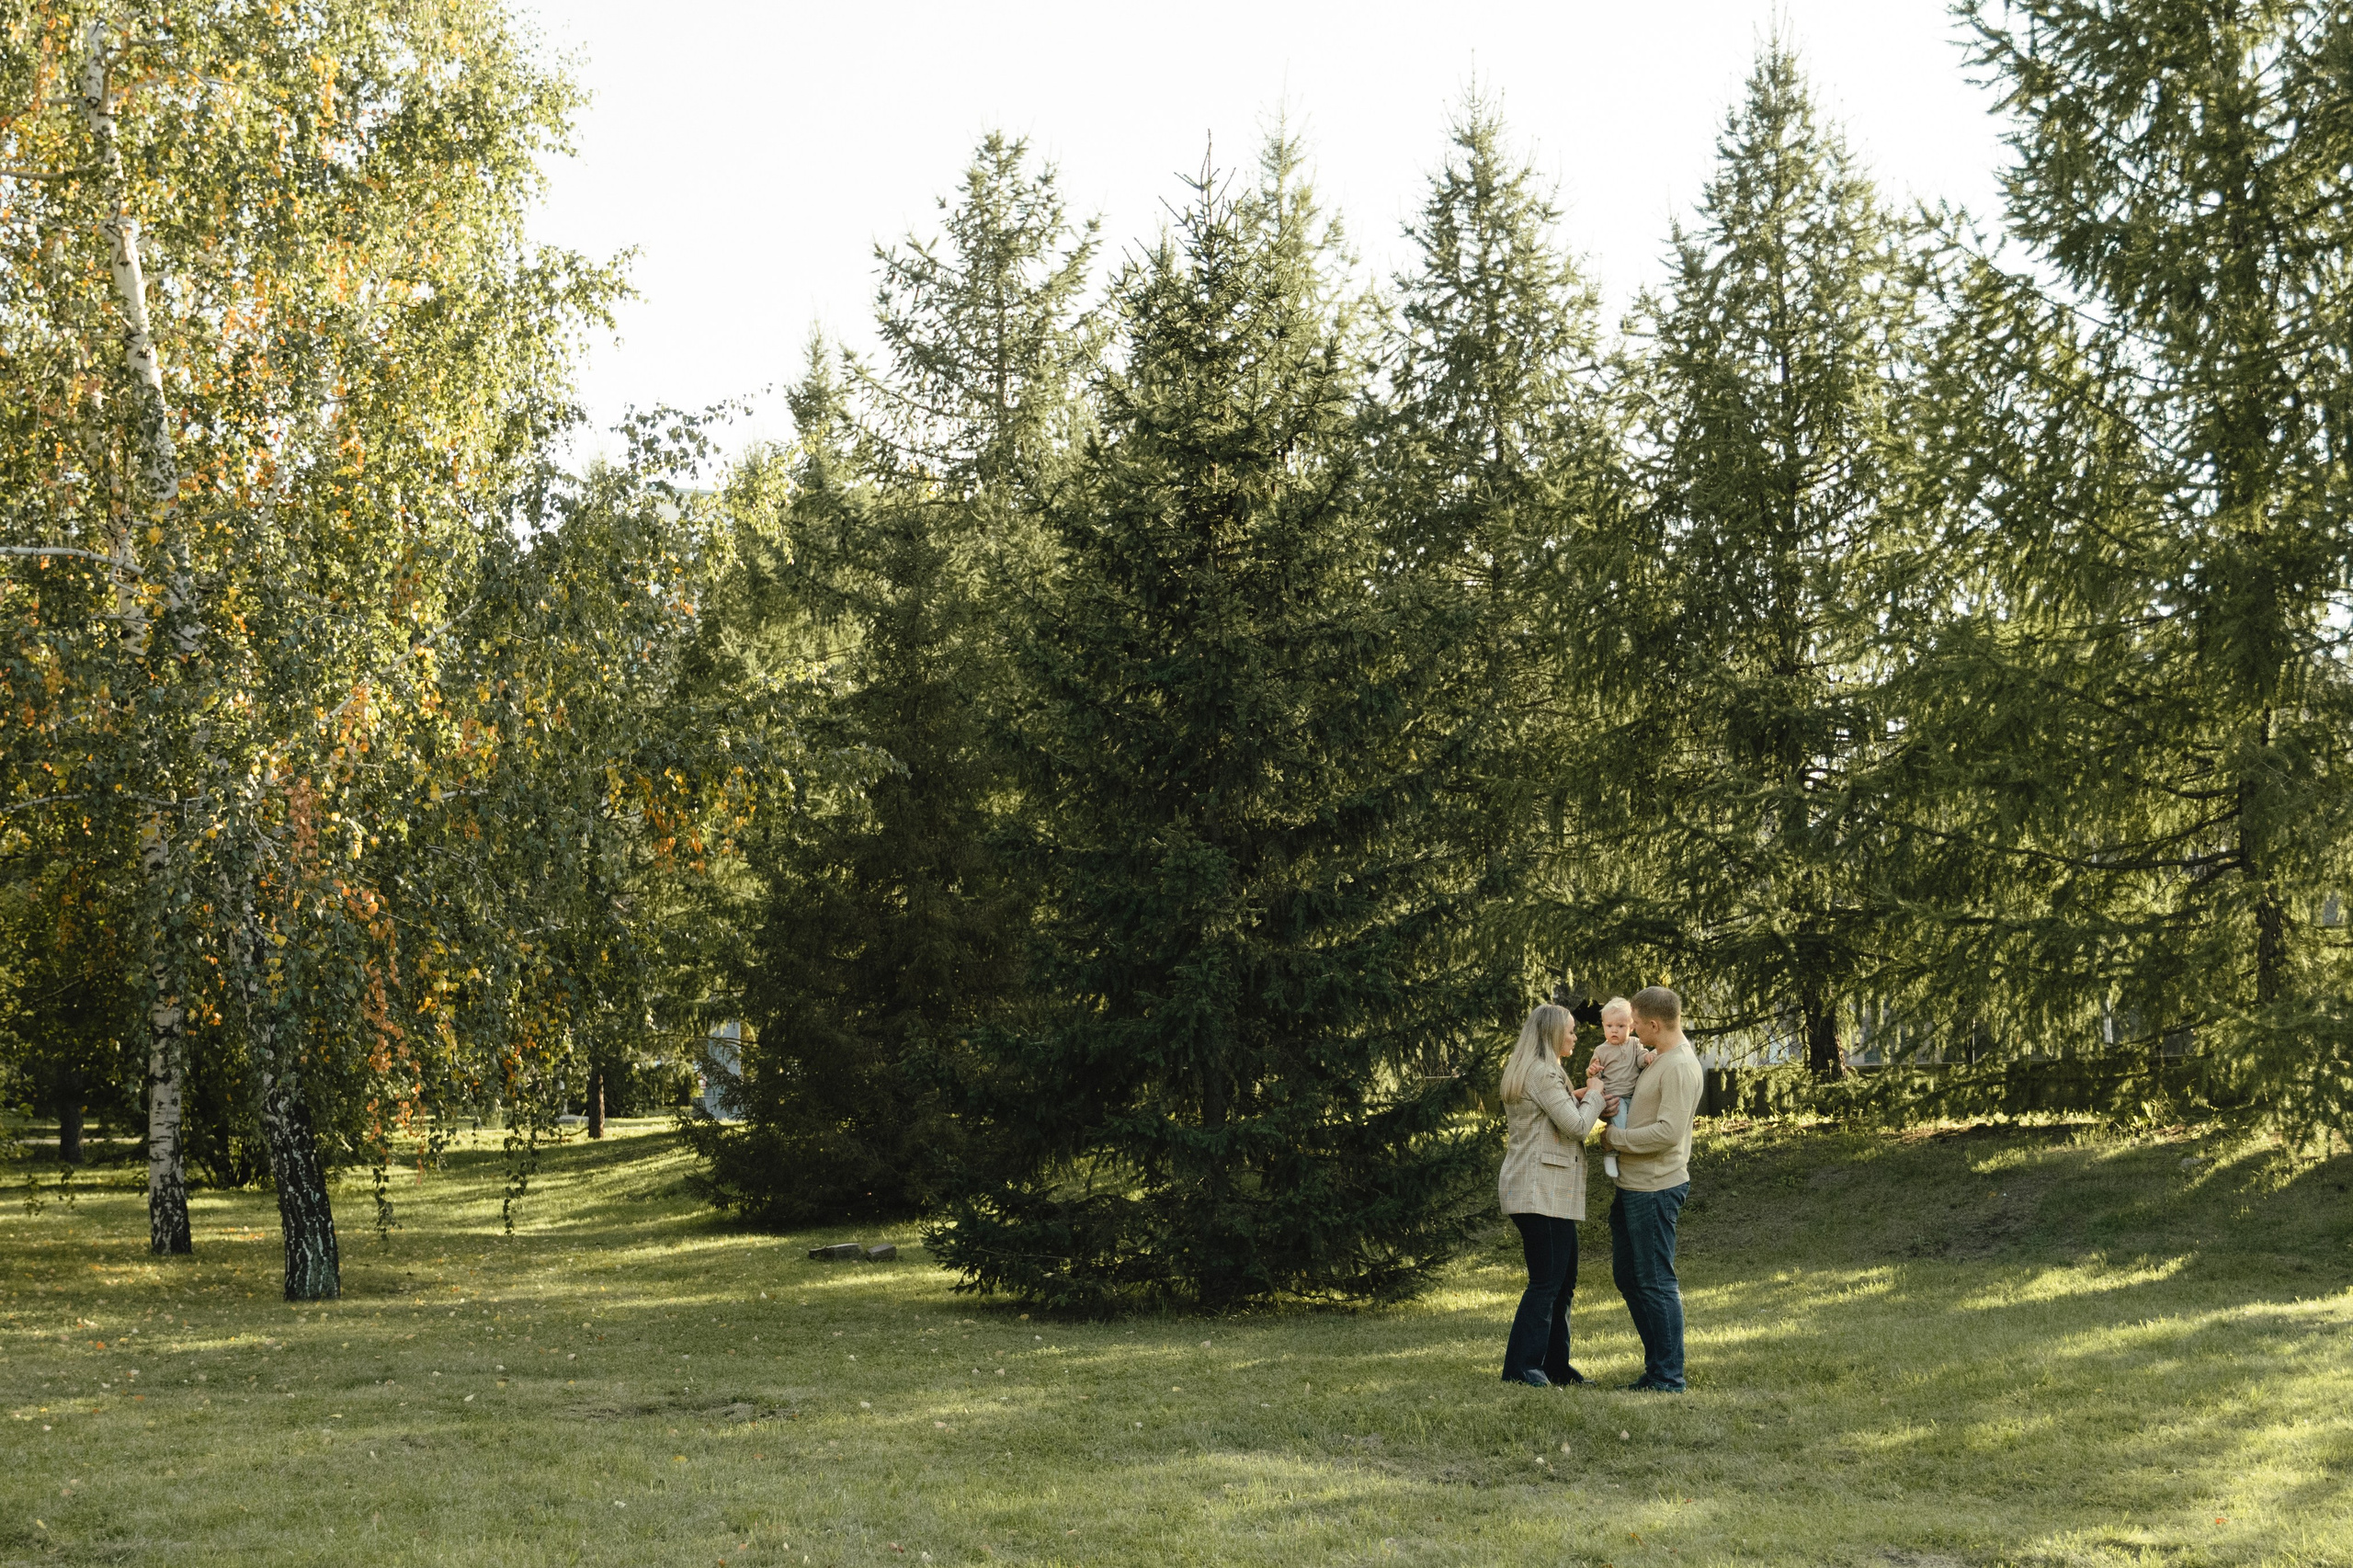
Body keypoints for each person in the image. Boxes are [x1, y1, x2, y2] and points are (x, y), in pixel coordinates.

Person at [1495, 1000, 1612, 1388]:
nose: (1577, 1036)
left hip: (1546, 1191)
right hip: (1538, 1191)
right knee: (1547, 1282)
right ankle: (1522, 1368)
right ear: (1551, 1033)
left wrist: (1584, 1091)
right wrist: (1595, 1092)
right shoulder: (1542, 1072)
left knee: (1563, 1281)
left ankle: (1556, 1367)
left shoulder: (1545, 1072)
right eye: (1572, 1030)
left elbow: (1557, 1111)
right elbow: (1577, 1126)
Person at [1599, 984, 1702, 1392]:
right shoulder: (1656, 1060)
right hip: (1633, 1185)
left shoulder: (1678, 1066)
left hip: (1656, 1188)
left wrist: (1615, 1141)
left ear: (1654, 1024)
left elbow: (1667, 1132)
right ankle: (1658, 1366)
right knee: (1629, 1276)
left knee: (1657, 1280)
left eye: (1638, 1024)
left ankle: (1668, 1376)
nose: (1633, 1031)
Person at [1584, 997, 1643, 1181]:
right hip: (1614, 1096)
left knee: (1635, 1126)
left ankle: (1629, 1158)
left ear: (1631, 1027)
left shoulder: (1635, 1044)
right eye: (1609, 1026)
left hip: (1634, 1094)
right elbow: (1594, 1075)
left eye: (1620, 1026)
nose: (1614, 1030)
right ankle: (1610, 1154)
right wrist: (1592, 1071)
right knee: (1620, 1125)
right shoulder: (1601, 1050)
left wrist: (1647, 1057)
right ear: (1603, 1026)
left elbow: (1641, 1060)